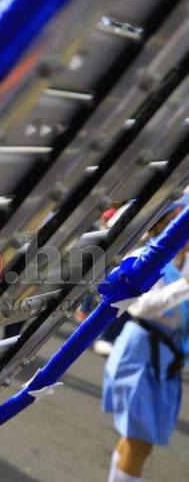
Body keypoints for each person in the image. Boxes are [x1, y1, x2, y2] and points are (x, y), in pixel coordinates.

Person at [102, 198, 189, 482]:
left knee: (140, 443)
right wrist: (185, 285)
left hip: (166, 358)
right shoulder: (145, 256)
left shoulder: (181, 262)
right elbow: (140, 307)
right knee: (138, 441)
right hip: (141, 353)